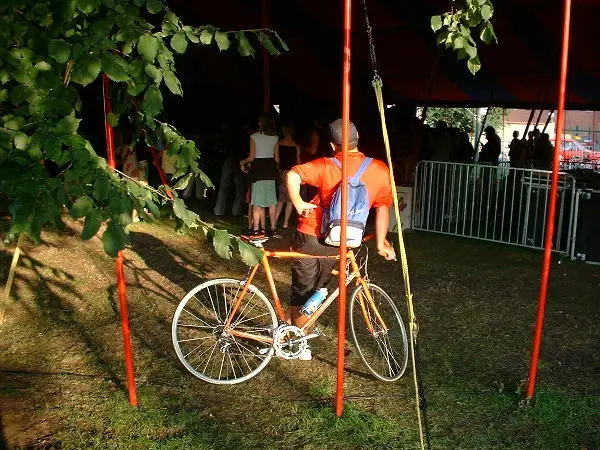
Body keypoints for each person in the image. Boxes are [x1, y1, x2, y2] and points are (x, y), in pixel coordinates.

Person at [286, 118, 396, 360]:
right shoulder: (378, 169)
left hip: (311, 233)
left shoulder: (326, 164)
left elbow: (293, 174)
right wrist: (380, 243)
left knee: (303, 291)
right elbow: (383, 208)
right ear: (358, 141)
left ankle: (296, 339)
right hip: (342, 239)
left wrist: (298, 203)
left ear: (332, 144)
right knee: (318, 291)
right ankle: (296, 336)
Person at [240, 114, 280, 237]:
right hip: (270, 169)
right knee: (272, 202)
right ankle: (273, 228)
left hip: (258, 169)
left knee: (257, 202)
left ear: (261, 123)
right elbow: (277, 159)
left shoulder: (254, 137)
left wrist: (242, 162)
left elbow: (252, 157)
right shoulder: (275, 138)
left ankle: (256, 229)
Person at [213, 121, 246, 216]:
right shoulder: (241, 135)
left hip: (233, 158)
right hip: (238, 158)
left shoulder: (228, 135)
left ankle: (219, 210)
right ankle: (236, 211)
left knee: (225, 185)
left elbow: (222, 147)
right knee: (239, 187)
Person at [274, 124, 301, 229]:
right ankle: (285, 223)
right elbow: (298, 160)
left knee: (280, 199)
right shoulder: (296, 145)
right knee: (290, 199)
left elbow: (277, 160)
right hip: (292, 173)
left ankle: (274, 221)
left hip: (281, 172)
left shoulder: (278, 144)